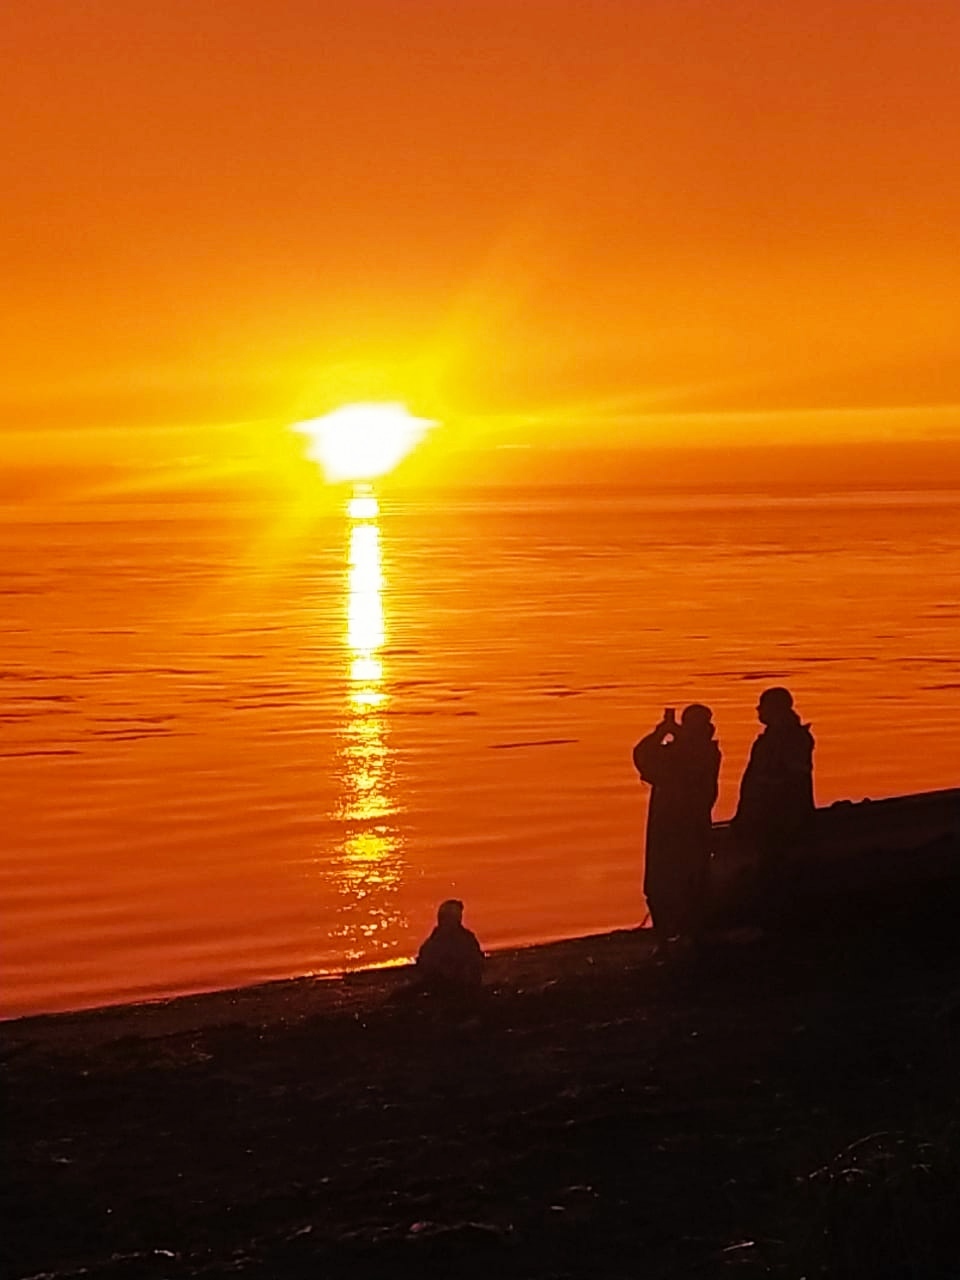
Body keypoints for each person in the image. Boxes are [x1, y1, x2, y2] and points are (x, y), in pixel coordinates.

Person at [632, 704, 721, 952]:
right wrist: (662, 732)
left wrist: (669, 734)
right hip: (667, 826)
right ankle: (669, 936)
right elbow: (643, 757)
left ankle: (691, 934)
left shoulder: (703, 751)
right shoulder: (678, 751)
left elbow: (653, 760)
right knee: (660, 883)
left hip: (687, 826)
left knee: (688, 881)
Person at [734, 686, 815, 867]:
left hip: (780, 818)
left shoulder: (794, 738)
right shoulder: (772, 738)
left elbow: (793, 777)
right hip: (766, 817)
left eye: (762, 705)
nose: (758, 710)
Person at [415, 899, 484, 992]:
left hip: (461, 987)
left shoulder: (465, 938)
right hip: (441, 987)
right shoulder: (436, 941)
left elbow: (475, 964)